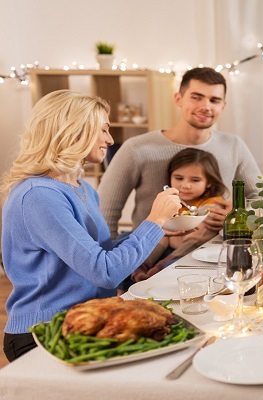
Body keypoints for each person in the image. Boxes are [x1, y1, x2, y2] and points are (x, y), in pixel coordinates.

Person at [1, 90, 181, 362]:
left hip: (89, 318)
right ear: (74, 131)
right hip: (44, 332)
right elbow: (104, 271)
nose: (110, 139)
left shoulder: (82, 188)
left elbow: (97, 254)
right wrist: (153, 221)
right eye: (104, 130)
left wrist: (155, 233)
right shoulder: (39, 195)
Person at [98, 67, 262, 239]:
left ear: (223, 106)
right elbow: (105, 211)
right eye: (196, 97)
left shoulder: (234, 145)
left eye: (214, 100)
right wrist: (115, 260)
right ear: (178, 98)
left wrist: (239, 215)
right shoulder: (136, 148)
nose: (206, 106)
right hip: (152, 253)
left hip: (215, 249)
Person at [130, 148, 227, 282]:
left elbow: (198, 235)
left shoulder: (214, 204)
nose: (185, 185)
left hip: (190, 253)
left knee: (202, 227)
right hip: (170, 244)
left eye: (195, 180)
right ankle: (140, 267)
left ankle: (162, 267)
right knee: (158, 229)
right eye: (179, 178)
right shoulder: (172, 201)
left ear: (209, 182)